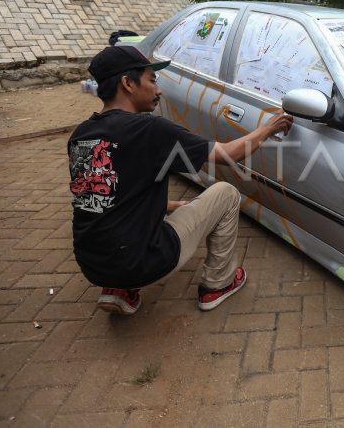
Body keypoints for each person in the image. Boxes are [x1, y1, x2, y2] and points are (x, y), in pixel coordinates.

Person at [68, 46, 293, 315]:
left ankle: (118, 289)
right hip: (141, 262)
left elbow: (108, 194)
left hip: (92, 264)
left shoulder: (81, 135)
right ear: (127, 83)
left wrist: (171, 205)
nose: (159, 90)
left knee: (128, 223)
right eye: (152, 80)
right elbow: (229, 154)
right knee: (226, 193)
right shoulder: (150, 129)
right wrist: (268, 128)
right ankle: (218, 284)